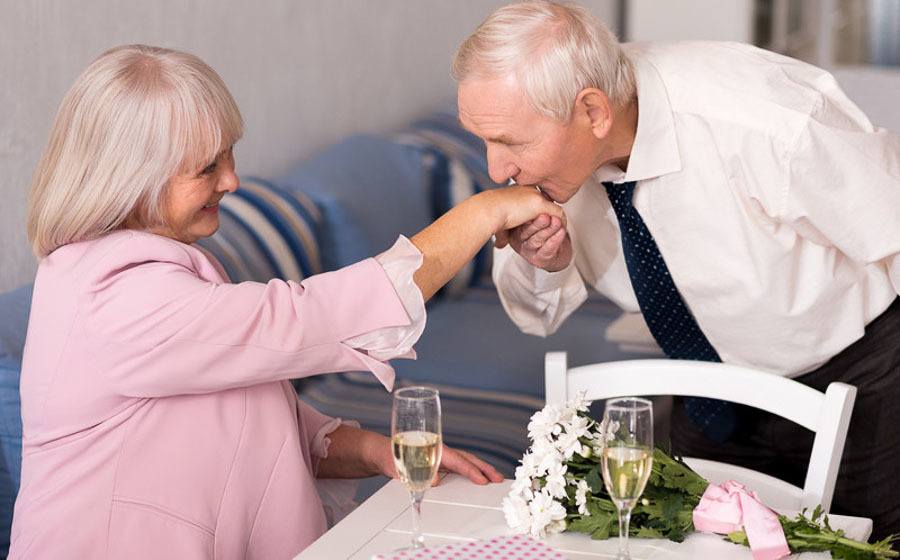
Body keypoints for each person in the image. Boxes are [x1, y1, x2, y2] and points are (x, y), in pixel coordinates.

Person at [10, 44, 567, 559]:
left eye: (229, 155)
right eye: (208, 167)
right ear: (130, 179)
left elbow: (243, 418)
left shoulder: (150, 272)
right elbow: (302, 319)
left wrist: (380, 452)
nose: (232, 180)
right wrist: (483, 211)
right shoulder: (119, 296)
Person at [452, 0, 900, 538]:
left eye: (510, 142)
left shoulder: (760, 120)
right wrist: (546, 264)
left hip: (857, 377)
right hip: (706, 393)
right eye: (484, 139)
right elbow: (535, 315)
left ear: (593, 113)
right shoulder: (547, 167)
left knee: (871, 542)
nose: (495, 169)